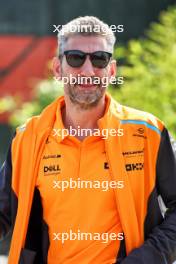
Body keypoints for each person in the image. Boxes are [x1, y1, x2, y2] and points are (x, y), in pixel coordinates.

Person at [0, 16, 176, 264]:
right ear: (58, 69)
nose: (87, 70)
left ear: (111, 70)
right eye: (75, 58)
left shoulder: (147, 132)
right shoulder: (28, 138)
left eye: (99, 59)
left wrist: (146, 259)